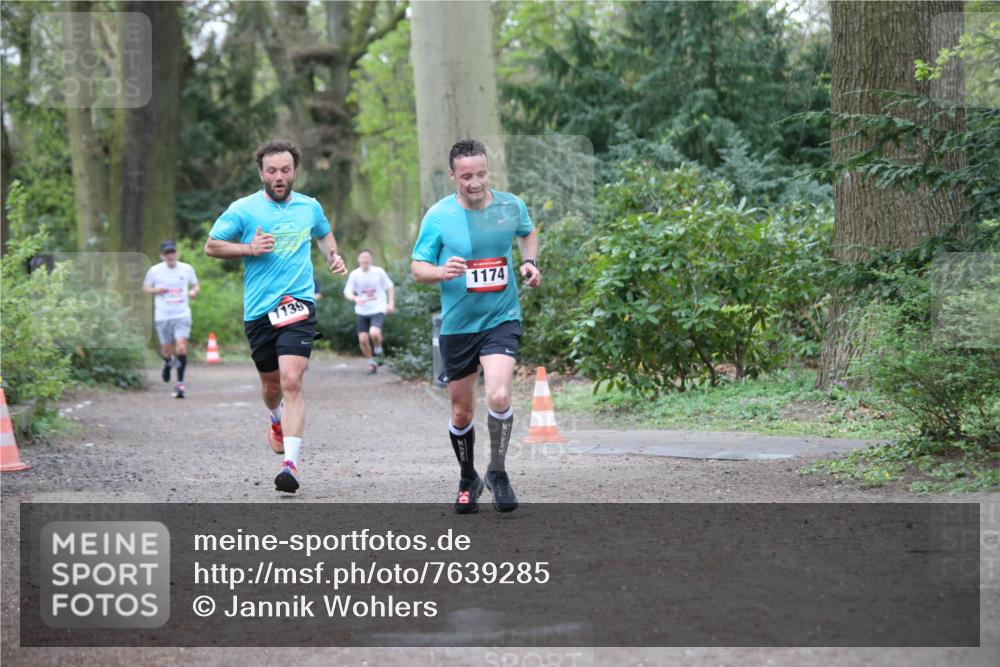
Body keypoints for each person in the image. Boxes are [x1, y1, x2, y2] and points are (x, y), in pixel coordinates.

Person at [204, 139, 347, 494]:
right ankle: (275, 418)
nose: (279, 177)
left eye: (285, 170)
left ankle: (291, 466)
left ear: (295, 171)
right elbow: (212, 246)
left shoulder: (309, 207)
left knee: (292, 380)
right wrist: (249, 248)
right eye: (272, 171)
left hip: (297, 303)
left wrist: (333, 256)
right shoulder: (243, 209)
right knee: (271, 387)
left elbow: (324, 234)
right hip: (259, 310)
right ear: (261, 173)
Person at [411, 139, 541, 514]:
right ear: (453, 176)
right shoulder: (438, 216)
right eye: (466, 176)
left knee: (499, 396)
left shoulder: (509, 205)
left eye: (481, 174)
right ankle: (468, 477)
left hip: (501, 318)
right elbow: (417, 267)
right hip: (458, 326)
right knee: (461, 413)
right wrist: (440, 271)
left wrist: (530, 263)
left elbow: (527, 232)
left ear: (488, 170)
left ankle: (497, 471)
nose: (475, 182)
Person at [143, 240, 199, 399]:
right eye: (167, 253)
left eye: (172, 252)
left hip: (182, 314)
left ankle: (180, 383)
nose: (170, 255)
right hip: (163, 315)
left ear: (177, 253)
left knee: (181, 346)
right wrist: (156, 290)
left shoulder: (187, 269)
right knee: (167, 349)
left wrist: (194, 291)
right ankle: (167, 363)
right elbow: (146, 287)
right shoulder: (154, 271)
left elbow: (195, 285)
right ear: (162, 255)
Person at [343, 250, 395, 374]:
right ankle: (371, 363)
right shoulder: (355, 274)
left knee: (374, 333)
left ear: (371, 259)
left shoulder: (378, 272)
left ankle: (378, 348)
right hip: (362, 310)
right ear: (358, 260)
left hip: (378, 308)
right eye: (362, 258)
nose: (365, 260)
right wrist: (355, 298)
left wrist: (391, 303)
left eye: (367, 258)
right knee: (363, 340)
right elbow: (347, 292)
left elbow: (390, 286)